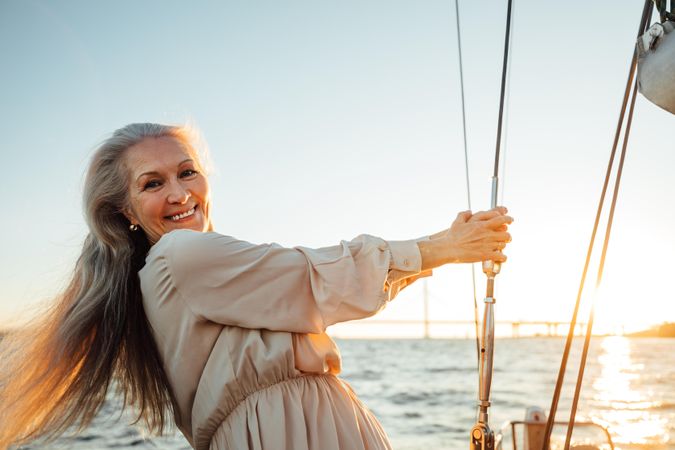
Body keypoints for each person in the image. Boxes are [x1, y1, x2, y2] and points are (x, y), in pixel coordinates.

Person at [0, 123, 513, 450]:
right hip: (291, 432)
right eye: (152, 183)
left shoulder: (166, 278)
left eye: (187, 173)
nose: (180, 194)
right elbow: (309, 276)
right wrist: (444, 247)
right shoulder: (179, 255)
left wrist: (430, 257)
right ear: (124, 212)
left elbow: (309, 293)